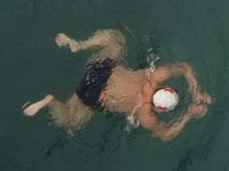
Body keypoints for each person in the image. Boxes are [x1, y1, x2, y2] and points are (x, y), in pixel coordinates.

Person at [22, 29, 213, 141]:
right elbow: (165, 134)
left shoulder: (155, 76)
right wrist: (189, 114)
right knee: (71, 121)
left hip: (102, 70)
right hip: (94, 96)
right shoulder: (144, 113)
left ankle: (79, 45)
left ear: (166, 88)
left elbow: (184, 67)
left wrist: (196, 89)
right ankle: (49, 102)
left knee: (117, 39)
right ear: (161, 110)